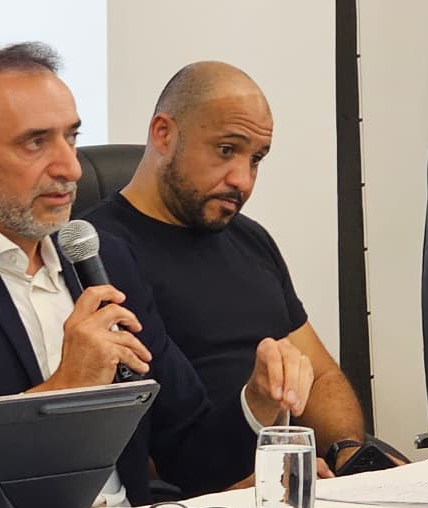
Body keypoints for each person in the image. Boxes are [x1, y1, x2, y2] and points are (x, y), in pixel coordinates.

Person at [0, 43, 313, 508]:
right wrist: (59, 395)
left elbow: (189, 456)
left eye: (71, 138)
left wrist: (257, 403)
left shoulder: (104, 258)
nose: (70, 168)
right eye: (36, 142)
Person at [83, 61, 403, 472]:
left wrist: (346, 453)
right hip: (203, 491)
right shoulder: (100, 255)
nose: (243, 180)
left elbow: (321, 377)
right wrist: (251, 482)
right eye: (226, 150)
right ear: (163, 134)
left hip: (290, 478)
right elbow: (127, 437)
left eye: (256, 159)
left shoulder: (250, 239)